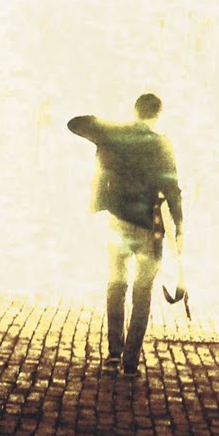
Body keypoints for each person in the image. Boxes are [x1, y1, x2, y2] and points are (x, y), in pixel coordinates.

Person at [67, 93, 184, 378]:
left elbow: (75, 124)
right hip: (149, 229)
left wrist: (111, 127)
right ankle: (130, 363)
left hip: (119, 224)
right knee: (142, 296)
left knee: (116, 287)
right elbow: (172, 189)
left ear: (135, 110)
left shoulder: (116, 135)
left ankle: (113, 354)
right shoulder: (162, 144)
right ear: (158, 114)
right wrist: (180, 227)